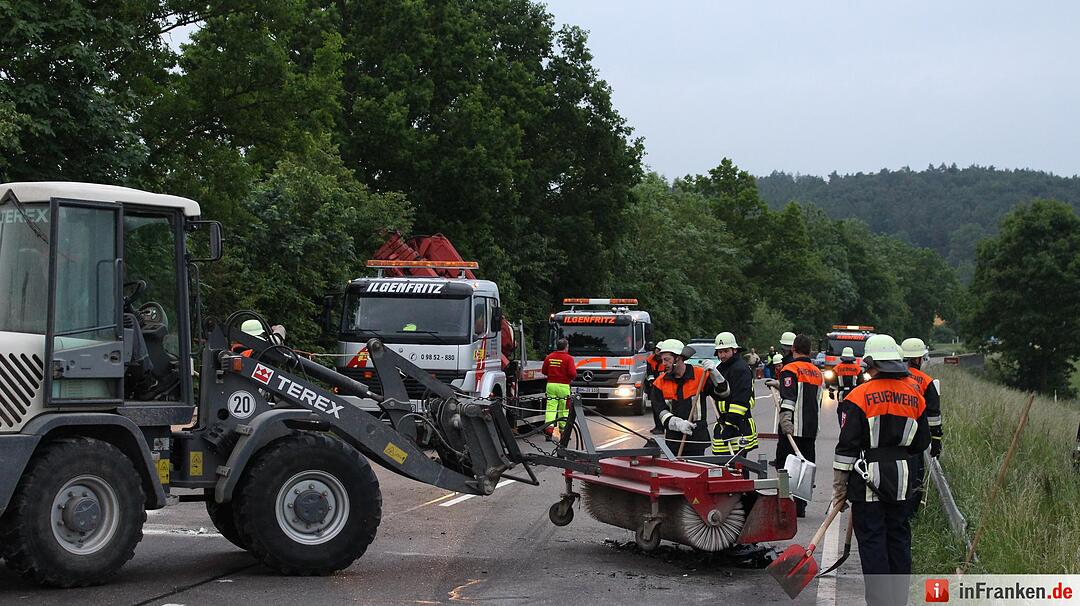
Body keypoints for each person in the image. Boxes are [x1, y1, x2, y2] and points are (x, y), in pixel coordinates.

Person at [832, 334, 929, 606]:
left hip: (868, 483)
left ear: (871, 363)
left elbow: (847, 447)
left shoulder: (858, 396)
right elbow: (921, 443)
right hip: (902, 482)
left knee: (873, 543)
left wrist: (840, 488)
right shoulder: (915, 395)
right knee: (899, 541)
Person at [651, 339, 728, 456]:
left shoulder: (700, 375)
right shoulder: (660, 383)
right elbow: (660, 411)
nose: (664, 364)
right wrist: (677, 424)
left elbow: (723, 394)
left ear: (678, 358)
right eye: (662, 360)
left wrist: (715, 374)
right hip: (674, 441)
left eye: (667, 360)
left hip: (697, 440)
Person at [774, 334, 822, 518]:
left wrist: (785, 419)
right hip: (810, 428)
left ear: (793, 348)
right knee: (805, 468)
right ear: (809, 351)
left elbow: (789, 398)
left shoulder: (790, 369)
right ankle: (800, 507)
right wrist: (779, 386)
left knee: (784, 466)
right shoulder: (817, 372)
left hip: (792, 428)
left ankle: (785, 505)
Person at [711, 332, 757, 459]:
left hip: (738, 424)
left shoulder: (740, 369)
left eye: (726, 351)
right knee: (723, 463)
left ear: (734, 350)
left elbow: (741, 400)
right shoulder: (720, 368)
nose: (722, 355)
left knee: (738, 464)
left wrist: (730, 425)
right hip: (723, 422)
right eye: (720, 352)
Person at [541, 338, 577, 439]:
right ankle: (563, 431)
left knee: (550, 408)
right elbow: (572, 374)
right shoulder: (569, 358)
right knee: (564, 409)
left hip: (551, 385)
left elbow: (544, 371)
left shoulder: (549, 357)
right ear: (566, 347)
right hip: (563, 386)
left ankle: (549, 429)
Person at [645, 342, 665, 434]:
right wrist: (652, 382)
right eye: (657, 349)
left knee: (664, 407)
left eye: (660, 350)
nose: (658, 351)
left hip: (665, 386)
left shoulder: (666, 360)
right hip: (654, 386)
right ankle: (658, 427)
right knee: (655, 406)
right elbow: (649, 373)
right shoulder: (650, 359)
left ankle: (663, 427)